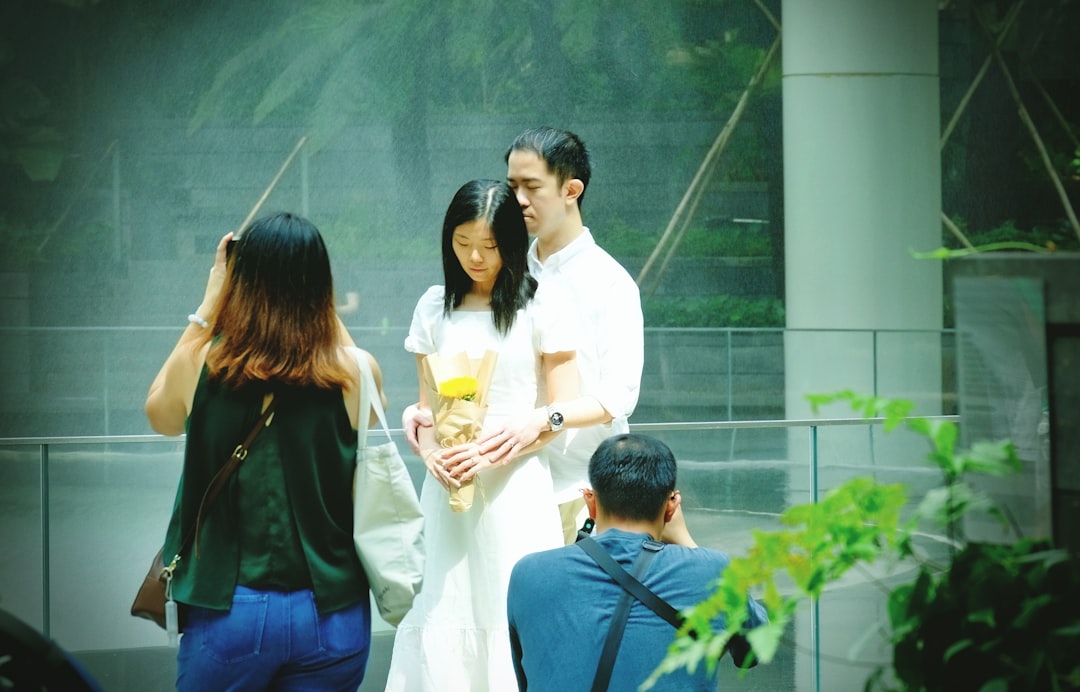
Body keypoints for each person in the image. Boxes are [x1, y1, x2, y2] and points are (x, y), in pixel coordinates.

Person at [145, 212, 383, 691]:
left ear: (239, 279)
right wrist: (314, 301)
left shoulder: (202, 361)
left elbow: (161, 416)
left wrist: (210, 300)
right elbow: (371, 415)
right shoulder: (354, 372)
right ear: (322, 283)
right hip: (331, 608)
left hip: (228, 609)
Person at [385, 179, 604, 691]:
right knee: (445, 606)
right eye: (462, 245)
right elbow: (427, 407)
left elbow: (560, 410)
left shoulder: (544, 304)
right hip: (450, 489)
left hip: (516, 486)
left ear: (510, 243)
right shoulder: (433, 307)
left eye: (489, 247)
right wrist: (432, 452)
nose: (475, 258)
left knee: (511, 604)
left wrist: (504, 447)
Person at [403, 126, 652, 546]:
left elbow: (619, 396)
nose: (517, 199)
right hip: (495, 478)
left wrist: (545, 417)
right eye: (512, 184)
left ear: (571, 189)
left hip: (577, 486)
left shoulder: (610, 283)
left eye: (531, 186)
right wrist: (427, 412)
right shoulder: (500, 270)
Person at [507, 433, 768, 692]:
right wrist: (685, 540)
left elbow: (528, 678)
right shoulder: (712, 571)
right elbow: (754, 649)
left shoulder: (530, 574)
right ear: (671, 506)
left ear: (591, 503)